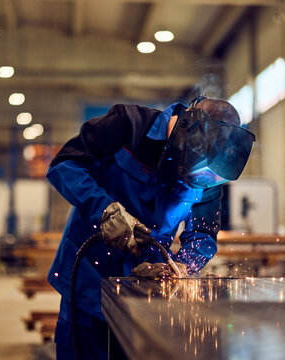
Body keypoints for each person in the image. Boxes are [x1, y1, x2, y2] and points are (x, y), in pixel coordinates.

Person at [46, 96, 255, 359]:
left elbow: (202, 234)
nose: (195, 184)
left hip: (145, 296)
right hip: (87, 284)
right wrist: (105, 210)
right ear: (186, 134)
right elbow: (63, 165)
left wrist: (180, 266)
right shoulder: (127, 125)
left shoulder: (209, 175)